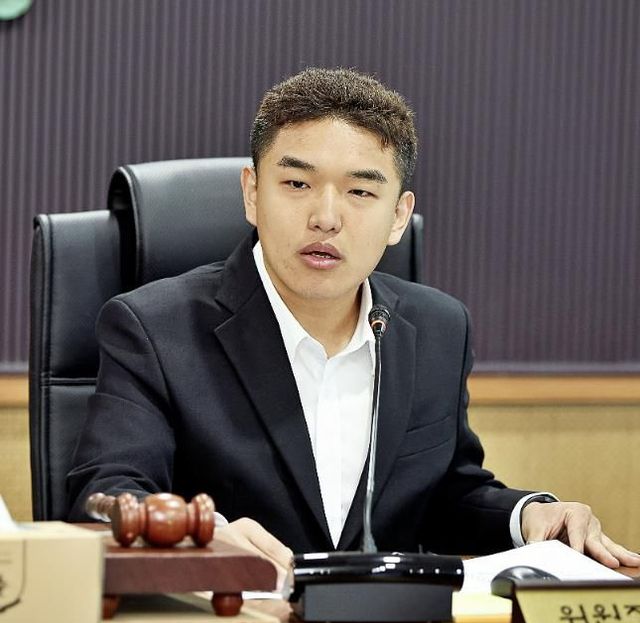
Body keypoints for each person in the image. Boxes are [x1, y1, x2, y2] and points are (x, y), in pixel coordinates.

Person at [66, 68, 639, 581]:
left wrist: (529, 514)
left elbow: (445, 495)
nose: (326, 217)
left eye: (361, 191)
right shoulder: (154, 328)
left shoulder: (436, 328)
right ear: (252, 193)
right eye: (297, 184)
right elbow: (104, 495)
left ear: (398, 216)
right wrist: (203, 536)